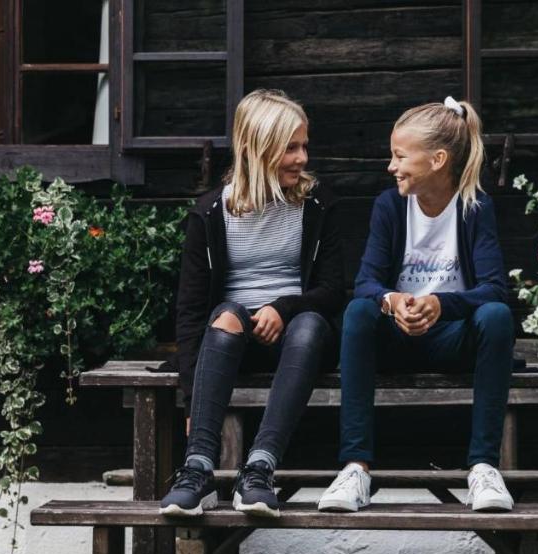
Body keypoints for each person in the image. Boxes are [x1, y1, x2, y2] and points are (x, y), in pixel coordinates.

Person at [318, 96, 515, 513]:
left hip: (451, 340)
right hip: (396, 339)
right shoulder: (389, 206)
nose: (391, 166)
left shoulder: (475, 208)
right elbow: (366, 283)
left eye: (400, 156)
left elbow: (495, 290)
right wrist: (393, 302)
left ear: (438, 159)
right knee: (358, 311)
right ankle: (355, 468)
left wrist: (443, 305)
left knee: (496, 317)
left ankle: (483, 469)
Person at [160, 89, 343, 518]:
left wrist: (284, 308)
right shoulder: (209, 214)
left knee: (312, 323)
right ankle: (198, 469)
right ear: (257, 149)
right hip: (232, 344)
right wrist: (192, 396)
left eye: (304, 146)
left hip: (298, 340)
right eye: (290, 148)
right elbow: (188, 313)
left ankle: (259, 469)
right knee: (224, 317)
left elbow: (334, 289)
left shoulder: (318, 204)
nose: (302, 158)